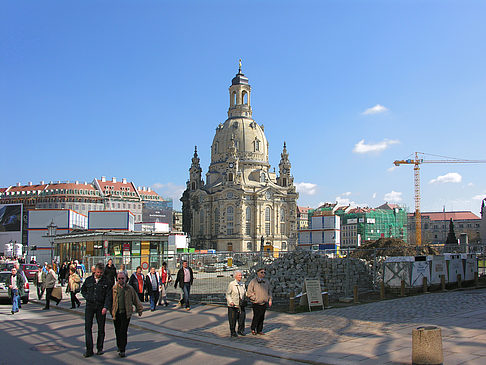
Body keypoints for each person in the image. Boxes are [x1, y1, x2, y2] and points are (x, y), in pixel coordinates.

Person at [108, 272, 143, 358]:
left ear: (126, 279)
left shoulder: (129, 289)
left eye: (122, 278)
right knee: (117, 330)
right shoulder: (114, 289)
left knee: (123, 331)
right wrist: (110, 310)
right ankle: (119, 346)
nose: (121, 280)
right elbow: (109, 300)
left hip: (126, 313)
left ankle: (122, 349)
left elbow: (135, 299)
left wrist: (139, 309)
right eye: (119, 278)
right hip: (116, 313)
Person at [80, 263, 111, 358]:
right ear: (95, 271)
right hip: (90, 305)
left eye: (101, 273)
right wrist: (87, 297)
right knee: (88, 327)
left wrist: (106, 307)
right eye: (98, 272)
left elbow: (108, 296)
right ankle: (89, 349)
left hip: (101, 306)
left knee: (101, 328)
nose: (99, 274)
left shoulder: (106, 281)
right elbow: (83, 290)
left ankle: (99, 348)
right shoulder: (89, 280)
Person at [247, 268, 272, 335]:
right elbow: (249, 292)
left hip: (264, 302)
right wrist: (254, 298)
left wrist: (270, 299)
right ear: (258, 273)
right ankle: (253, 328)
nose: (263, 274)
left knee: (262, 317)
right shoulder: (253, 281)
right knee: (256, 316)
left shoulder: (266, 281)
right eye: (262, 272)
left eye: (264, 272)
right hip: (256, 302)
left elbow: (269, 291)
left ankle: (259, 330)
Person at [226, 270, 247, 337]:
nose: (240, 277)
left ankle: (240, 330)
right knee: (232, 319)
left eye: (241, 275)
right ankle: (233, 331)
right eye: (239, 275)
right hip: (233, 305)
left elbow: (245, 293)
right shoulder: (231, 284)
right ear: (235, 276)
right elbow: (228, 294)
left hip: (241, 305)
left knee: (242, 319)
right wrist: (230, 301)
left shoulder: (242, 284)